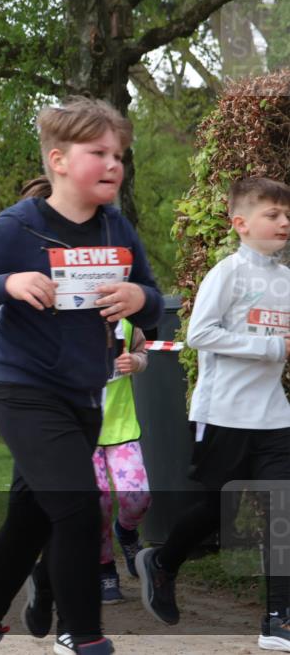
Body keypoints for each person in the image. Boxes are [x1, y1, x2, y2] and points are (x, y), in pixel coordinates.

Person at [0, 97, 164, 655]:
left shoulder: (118, 228)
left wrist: (140, 296)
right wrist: (9, 283)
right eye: (99, 153)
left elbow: (157, 305)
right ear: (60, 159)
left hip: (86, 396)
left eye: (118, 154)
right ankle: (83, 635)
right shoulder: (21, 225)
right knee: (77, 505)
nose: (114, 164)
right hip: (24, 391)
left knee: (31, 519)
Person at [135, 177, 290, 651]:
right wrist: (268, 347)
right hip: (224, 413)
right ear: (241, 223)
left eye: (287, 214)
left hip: (275, 417)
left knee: (279, 508)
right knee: (218, 512)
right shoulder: (227, 273)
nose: (284, 222)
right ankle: (162, 562)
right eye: (273, 214)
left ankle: (278, 620)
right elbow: (199, 334)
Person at [93, 318, 151, 604]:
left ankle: (126, 532)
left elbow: (142, 352)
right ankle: (105, 568)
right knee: (98, 502)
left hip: (121, 427)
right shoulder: (64, 320)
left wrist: (136, 362)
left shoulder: (126, 323)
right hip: (81, 430)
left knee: (138, 497)